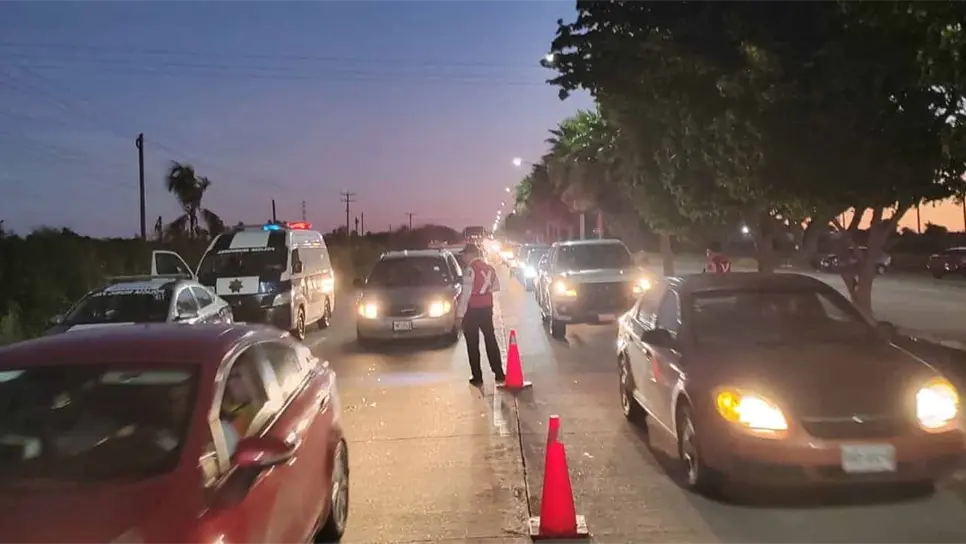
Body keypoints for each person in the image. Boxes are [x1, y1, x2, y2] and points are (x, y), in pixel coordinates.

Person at [456, 243, 507, 386]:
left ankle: (477, 376)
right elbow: (496, 286)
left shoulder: (470, 270)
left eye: (465, 254)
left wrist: (460, 315)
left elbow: (465, 295)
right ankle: (499, 373)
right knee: (490, 339)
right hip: (486, 308)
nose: (463, 257)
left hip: (472, 310)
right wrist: (484, 290)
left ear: (471, 254)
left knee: (472, 344)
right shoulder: (489, 268)